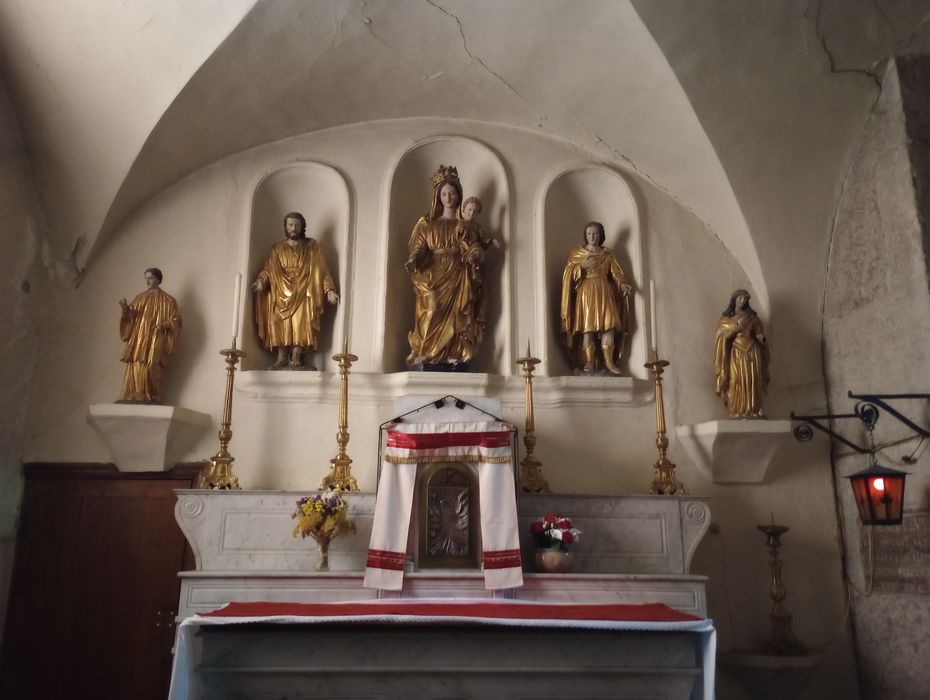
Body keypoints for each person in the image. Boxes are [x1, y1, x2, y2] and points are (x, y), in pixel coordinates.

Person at [405, 165, 491, 369]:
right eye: (443, 193)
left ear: (459, 196)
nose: (448, 197)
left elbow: (476, 245)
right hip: (433, 272)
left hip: (460, 272)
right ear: (438, 196)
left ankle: (456, 352)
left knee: (459, 313)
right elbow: (419, 247)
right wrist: (413, 259)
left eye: (452, 193)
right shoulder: (428, 223)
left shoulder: (467, 225)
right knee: (432, 307)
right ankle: (426, 352)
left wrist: (476, 253)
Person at [253, 212, 339, 370]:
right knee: (277, 321)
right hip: (280, 289)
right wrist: (261, 281)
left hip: (304, 289)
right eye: (291, 225)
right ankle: (282, 356)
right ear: (285, 227)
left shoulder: (312, 247)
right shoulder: (277, 248)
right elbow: (269, 269)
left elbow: (323, 271)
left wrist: (329, 290)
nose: (294, 228)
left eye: (297, 225)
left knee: (300, 323)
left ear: (302, 227)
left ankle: (297, 355)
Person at [560, 221, 632, 375]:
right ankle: (589, 361)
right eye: (589, 233)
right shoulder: (577, 253)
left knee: (609, 327)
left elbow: (616, 273)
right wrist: (581, 266)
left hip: (605, 291)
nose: (592, 236)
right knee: (588, 328)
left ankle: (609, 362)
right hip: (586, 292)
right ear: (585, 236)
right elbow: (567, 275)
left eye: (596, 233)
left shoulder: (607, 254)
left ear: (601, 235)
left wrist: (622, 284)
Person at [117, 267, 181, 403]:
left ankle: (152, 395)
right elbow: (131, 315)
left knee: (153, 364)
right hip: (139, 337)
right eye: (146, 278)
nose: (147, 281)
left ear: (158, 279)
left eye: (150, 278)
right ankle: (135, 394)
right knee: (137, 362)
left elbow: (176, 320)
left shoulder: (168, 300)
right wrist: (125, 310)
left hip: (156, 336)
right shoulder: (140, 298)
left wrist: (163, 325)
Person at [714, 289, 770, 417]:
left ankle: (754, 409)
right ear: (734, 301)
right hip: (736, 353)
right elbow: (721, 337)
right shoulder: (726, 320)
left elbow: (759, 333)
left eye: (745, 299)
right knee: (736, 380)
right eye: (740, 298)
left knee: (753, 380)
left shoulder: (753, 319)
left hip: (753, 351)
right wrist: (734, 330)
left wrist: (761, 338)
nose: (743, 301)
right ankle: (736, 410)